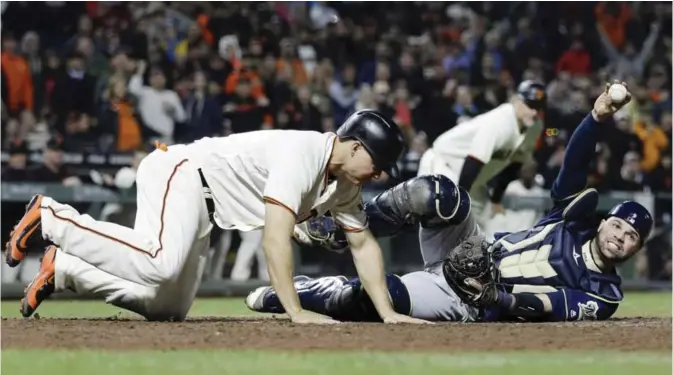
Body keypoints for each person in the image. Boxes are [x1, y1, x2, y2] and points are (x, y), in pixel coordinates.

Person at [246, 82, 654, 322]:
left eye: (631, 236)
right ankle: (337, 230)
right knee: (438, 193)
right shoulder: (570, 219)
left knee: (373, 299)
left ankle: (309, 292)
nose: (620, 236)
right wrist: (596, 117)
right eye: (618, 225)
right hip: (470, 250)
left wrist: (498, 299)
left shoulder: (604, 295)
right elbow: (575, 164)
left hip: (474, 299)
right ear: (603, 222)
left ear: (636, 248)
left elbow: (553, 305)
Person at [7, 109, 429, 325]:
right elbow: (275, 239)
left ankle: (65, 270)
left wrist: (387, 312)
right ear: (354, 146)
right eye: (379, 162)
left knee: (166, 307)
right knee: (159, 262)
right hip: (183, 171)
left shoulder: (347, 186)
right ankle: (52, 216)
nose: (383, 174)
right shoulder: (304, 153)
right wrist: (296, 310)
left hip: (207, 206)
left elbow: (363, 243)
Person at [417, 80, 546, 231]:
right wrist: (460, 200)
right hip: (442, 164)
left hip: (472, 178)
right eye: (530, 106)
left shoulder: (535, 126)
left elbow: (516, 164)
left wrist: (496, 199)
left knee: (489, 225)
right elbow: (474, 160)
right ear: (517, 100)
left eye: (539, 108)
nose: (534, 112)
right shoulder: (500, 121)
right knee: (447, 227)